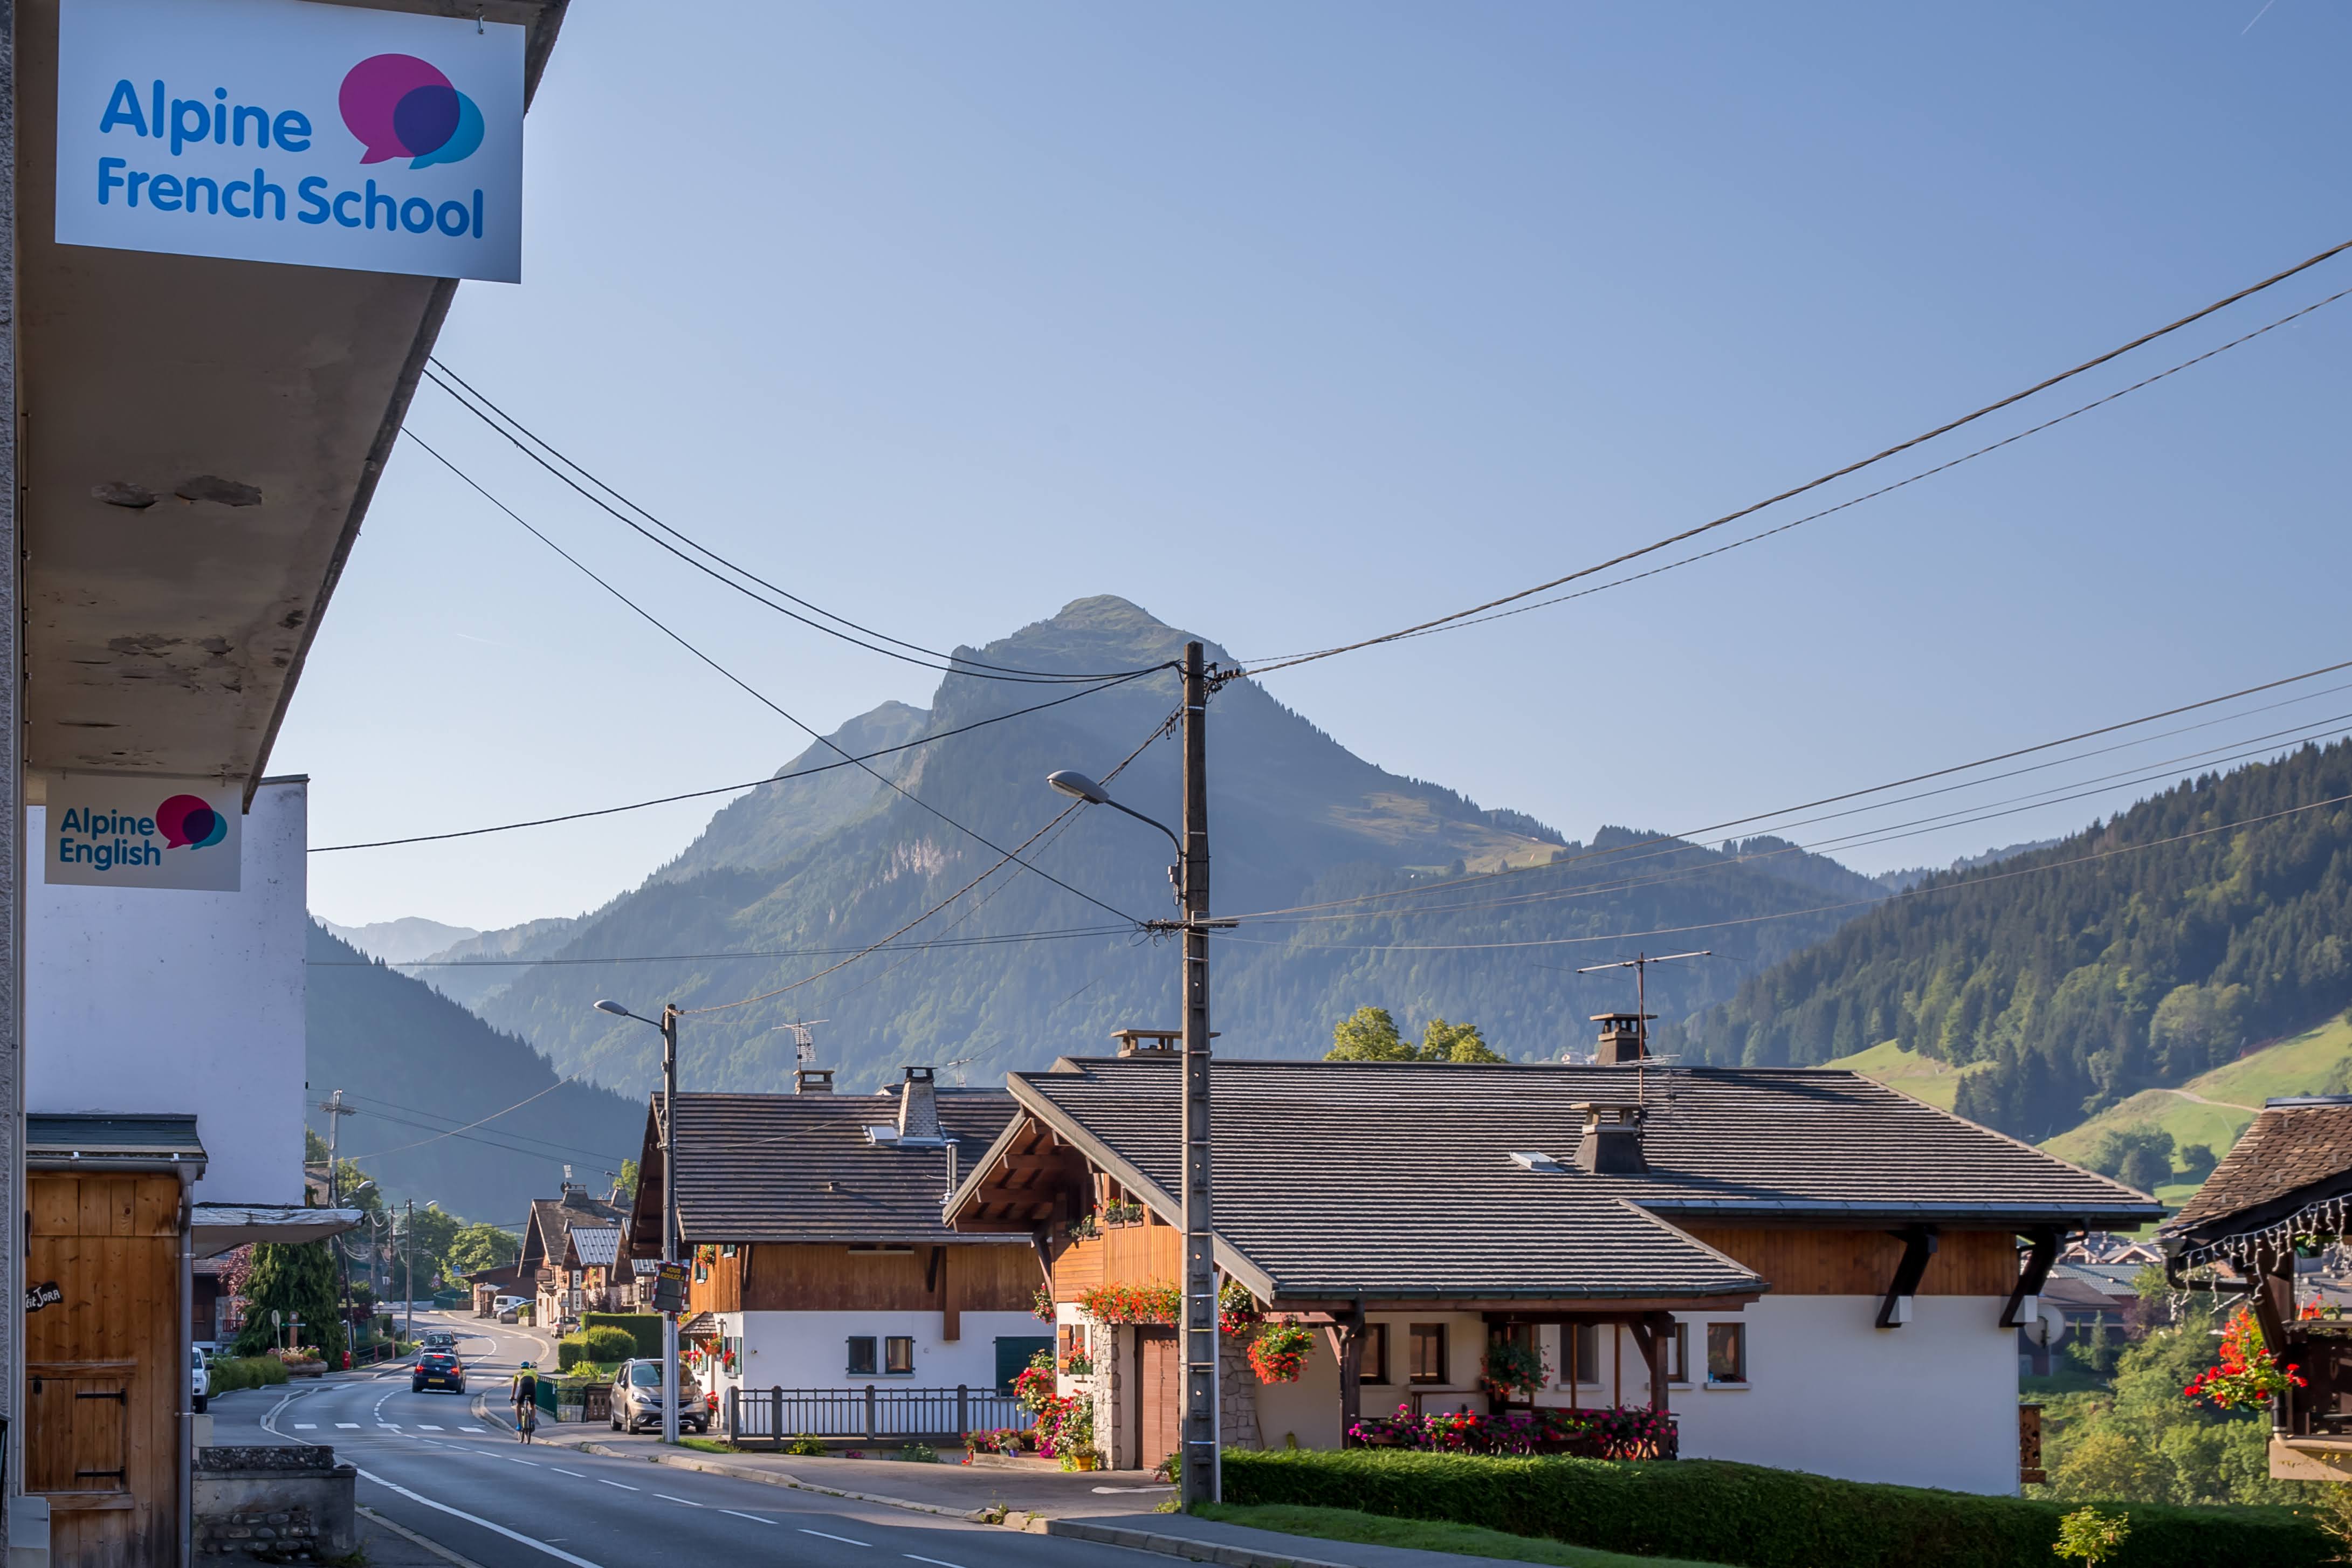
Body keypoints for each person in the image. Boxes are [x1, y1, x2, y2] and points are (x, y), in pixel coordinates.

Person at [512, 1360, 539, 1442]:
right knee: (533, 1406)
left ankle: (520, 1425)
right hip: (532, 1388)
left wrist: (512, 1396)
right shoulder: (533, 1373)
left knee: (518, 1406)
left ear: (521, 1368)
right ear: (528, 1368)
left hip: (523, 1388)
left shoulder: (518, 1373)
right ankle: (533, 1422)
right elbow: (535, 1385)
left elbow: (515, 1386)